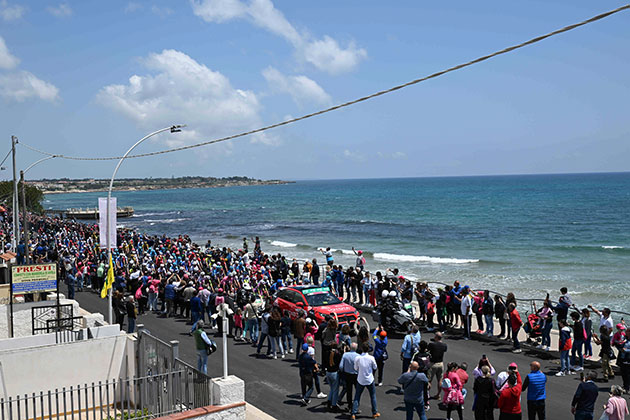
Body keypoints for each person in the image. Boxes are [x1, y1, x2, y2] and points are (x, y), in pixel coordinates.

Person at [351, 343, 380, 419]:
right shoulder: (371, 358)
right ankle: (374, 413)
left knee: (357, 396)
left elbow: (355, 368)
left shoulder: (358, 358)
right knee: (373, 396)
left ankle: (353, 413)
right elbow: (375, 367)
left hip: (360, 379)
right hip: (370, 379)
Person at [340, 342, 360, 410]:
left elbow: (341, 366)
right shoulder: (358, 356)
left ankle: (350, 405)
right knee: (357, 391)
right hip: (356, 375)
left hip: (347, 375)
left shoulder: (345, 355)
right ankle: (356, 406)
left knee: (349, 391)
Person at [428, 331, 448, 398]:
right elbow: (444, 349)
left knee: (429, 380)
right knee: (440, 380)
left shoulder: (432, 345)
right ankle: (438, 394)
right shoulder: (444, 345)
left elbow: (428, 350)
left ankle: (427, 393)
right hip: (440, 364)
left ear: (436, 337)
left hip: (433, 364)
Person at [325, 344, 343, 412]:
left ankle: (329, 401)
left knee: (332, 388)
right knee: (335, 390)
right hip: (334, 373)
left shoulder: (327, 353)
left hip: (328, 372)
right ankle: (334, 404)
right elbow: (340, 362)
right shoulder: (337, 354)